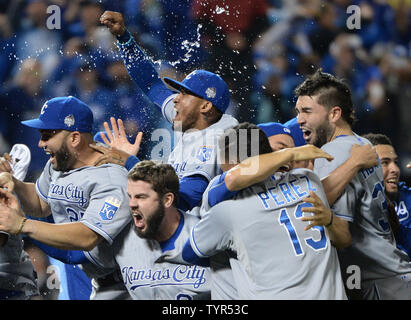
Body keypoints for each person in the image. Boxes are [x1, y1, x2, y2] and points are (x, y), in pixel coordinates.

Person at [168, 122, 347, 299]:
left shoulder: (224, 209)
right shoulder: (309, 180)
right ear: (267, 154)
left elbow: (189, 254)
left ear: (228, 161)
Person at [99, 11, 239, 211]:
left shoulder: (218, 135)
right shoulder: (193, 118)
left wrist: (131, 163)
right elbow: (151, 85)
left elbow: (186, 197)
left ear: (206, 106)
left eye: (184, 94)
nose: (176, 99)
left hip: (201, 230)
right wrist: (124, 38)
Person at [294, 69, 411, 299]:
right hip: (394, 275)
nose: (299, 119)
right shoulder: (362, 144)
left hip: (378, 283)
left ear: (334, 113)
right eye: (298, 111)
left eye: (307, 111)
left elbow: (335, 229)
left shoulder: (332, 154)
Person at [0, 96, 132, 300]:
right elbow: (40, 203)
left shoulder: (112, 178)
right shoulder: (59, 164)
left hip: (129, 285)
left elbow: (87, 237)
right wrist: (15, 184)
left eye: (46, 136)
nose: (40, 143)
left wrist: (22, 225)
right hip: (99, 281)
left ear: (74, 138)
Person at [93, 160, 211, 300]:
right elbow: (75, 254)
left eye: (141, 197)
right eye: (130, 196)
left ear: (167, 200)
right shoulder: (122, 238)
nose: (131, 204)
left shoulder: (205, 238)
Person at [362, 133, 411, 258]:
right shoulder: (353, 203)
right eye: (385, 162)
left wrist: (398, 230)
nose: (395, 169)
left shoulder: (406, 197)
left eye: (395, 162)